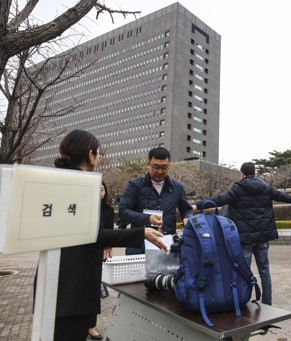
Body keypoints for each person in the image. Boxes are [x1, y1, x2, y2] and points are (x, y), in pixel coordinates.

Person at [47, 129, 167, 341]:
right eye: (98, 152)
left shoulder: (59, 181)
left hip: (55, 278)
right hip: (74, 284)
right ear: (90, 154)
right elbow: (94, 235)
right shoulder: (84, 184)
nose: (100, 157)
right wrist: (141, 232)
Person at [194, 162, 291, 305]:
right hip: (262, 238)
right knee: (265, 271)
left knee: (243, 272)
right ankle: (267, 303)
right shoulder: (265, 187)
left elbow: (219, 199)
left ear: (241, 174)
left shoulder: (237, 189)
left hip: (244, 239)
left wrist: (197, 205)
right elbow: (281, 195)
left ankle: (242, 301)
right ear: (255, 173)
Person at [119, 147, 193, 255]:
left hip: (168, 246)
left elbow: (186, 208)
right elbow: (123, 211)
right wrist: (148, 219)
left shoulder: (178, 188)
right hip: (139, 246)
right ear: (148, 164)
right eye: (156, 167)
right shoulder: (135, 185)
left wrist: (187, 217)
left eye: (164, 168)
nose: (160, 171)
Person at [87, 181, 114, 340]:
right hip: (83, 253)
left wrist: (108, 247)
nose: (100, 192)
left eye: (102, 189)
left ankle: (91, 326)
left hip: (99, 254)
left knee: (93, 291)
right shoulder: (86, 207)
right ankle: (82, 323)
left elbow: (109, 231)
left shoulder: (108, 210)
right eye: (97, 189)